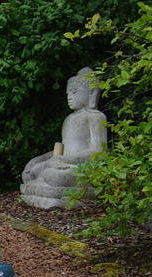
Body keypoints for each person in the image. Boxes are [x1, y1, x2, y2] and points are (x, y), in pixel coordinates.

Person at [20, 68, 107, 209]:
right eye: (68, 93)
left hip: (81, 168)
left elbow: (98, 153)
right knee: (30, 172)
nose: (69, 97)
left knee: (55, 175)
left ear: (91, 92)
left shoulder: (96, 117)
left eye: (74, 92)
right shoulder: (69, 119)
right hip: (60, 163)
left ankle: (52, 193)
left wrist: (65, 160)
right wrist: (40, 159)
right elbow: (60, 150)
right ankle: (47, 188)